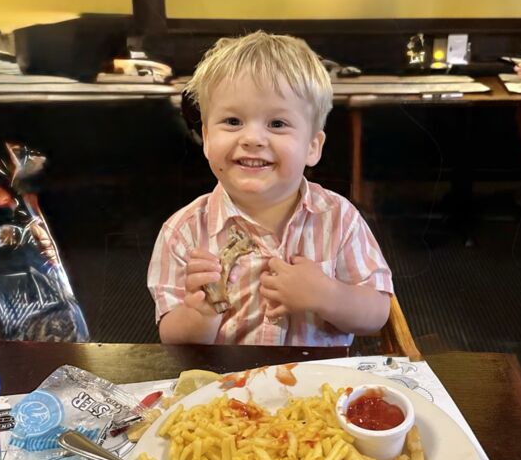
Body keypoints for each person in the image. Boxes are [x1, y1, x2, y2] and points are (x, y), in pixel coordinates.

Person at [147, 31, 393, 346]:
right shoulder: (183, 232)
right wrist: (201, 314)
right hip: (225, 377)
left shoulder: (339, 219)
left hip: (316, 376)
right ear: (207, 139)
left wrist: (328, 295)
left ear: (312, 147)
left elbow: (377, 314)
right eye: (233, 121)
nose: (252, 139)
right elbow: (171, 337)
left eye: (277, 124)